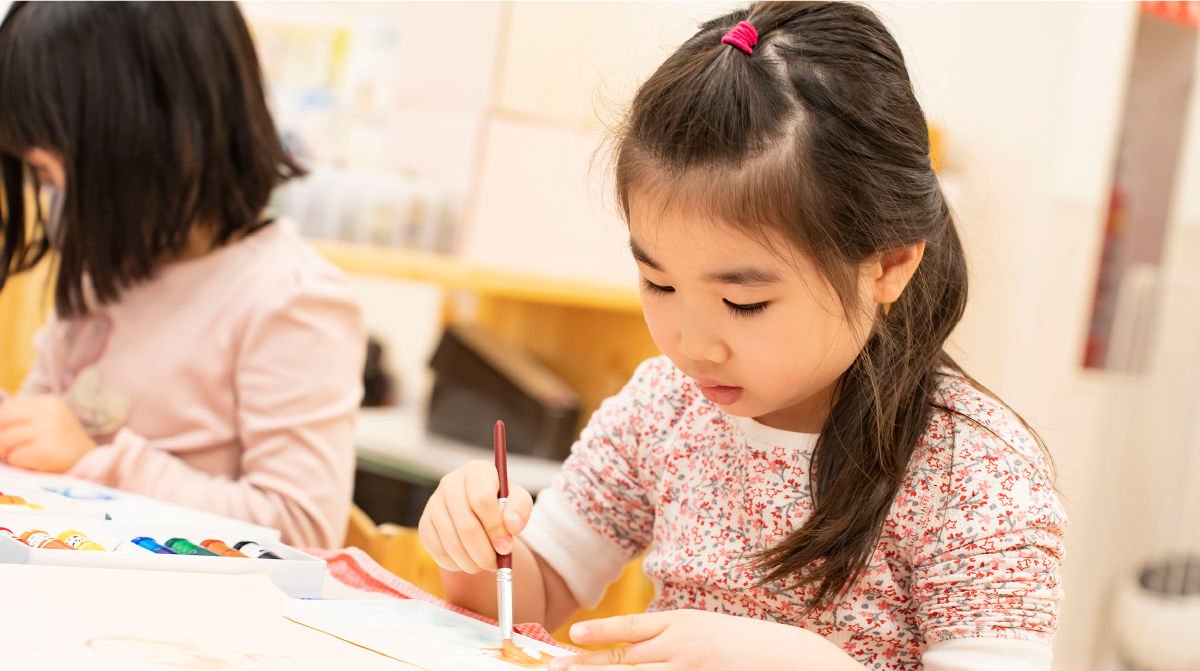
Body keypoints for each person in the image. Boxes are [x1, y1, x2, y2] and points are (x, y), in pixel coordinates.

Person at [418, 1, 1066, 669]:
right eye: (659, 285)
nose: (693, 344)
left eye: (743, 301)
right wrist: (476, 546)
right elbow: (541, 589)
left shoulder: (975, 472)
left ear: (889, 265)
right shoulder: (667, 405)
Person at [0, 0, 365, 548]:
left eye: (59, 176)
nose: (54, 202)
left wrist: (99, 462)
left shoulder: (289, 298)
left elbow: (303, 530)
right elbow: (39, 431)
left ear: (143, 143)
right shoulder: (102, 266)